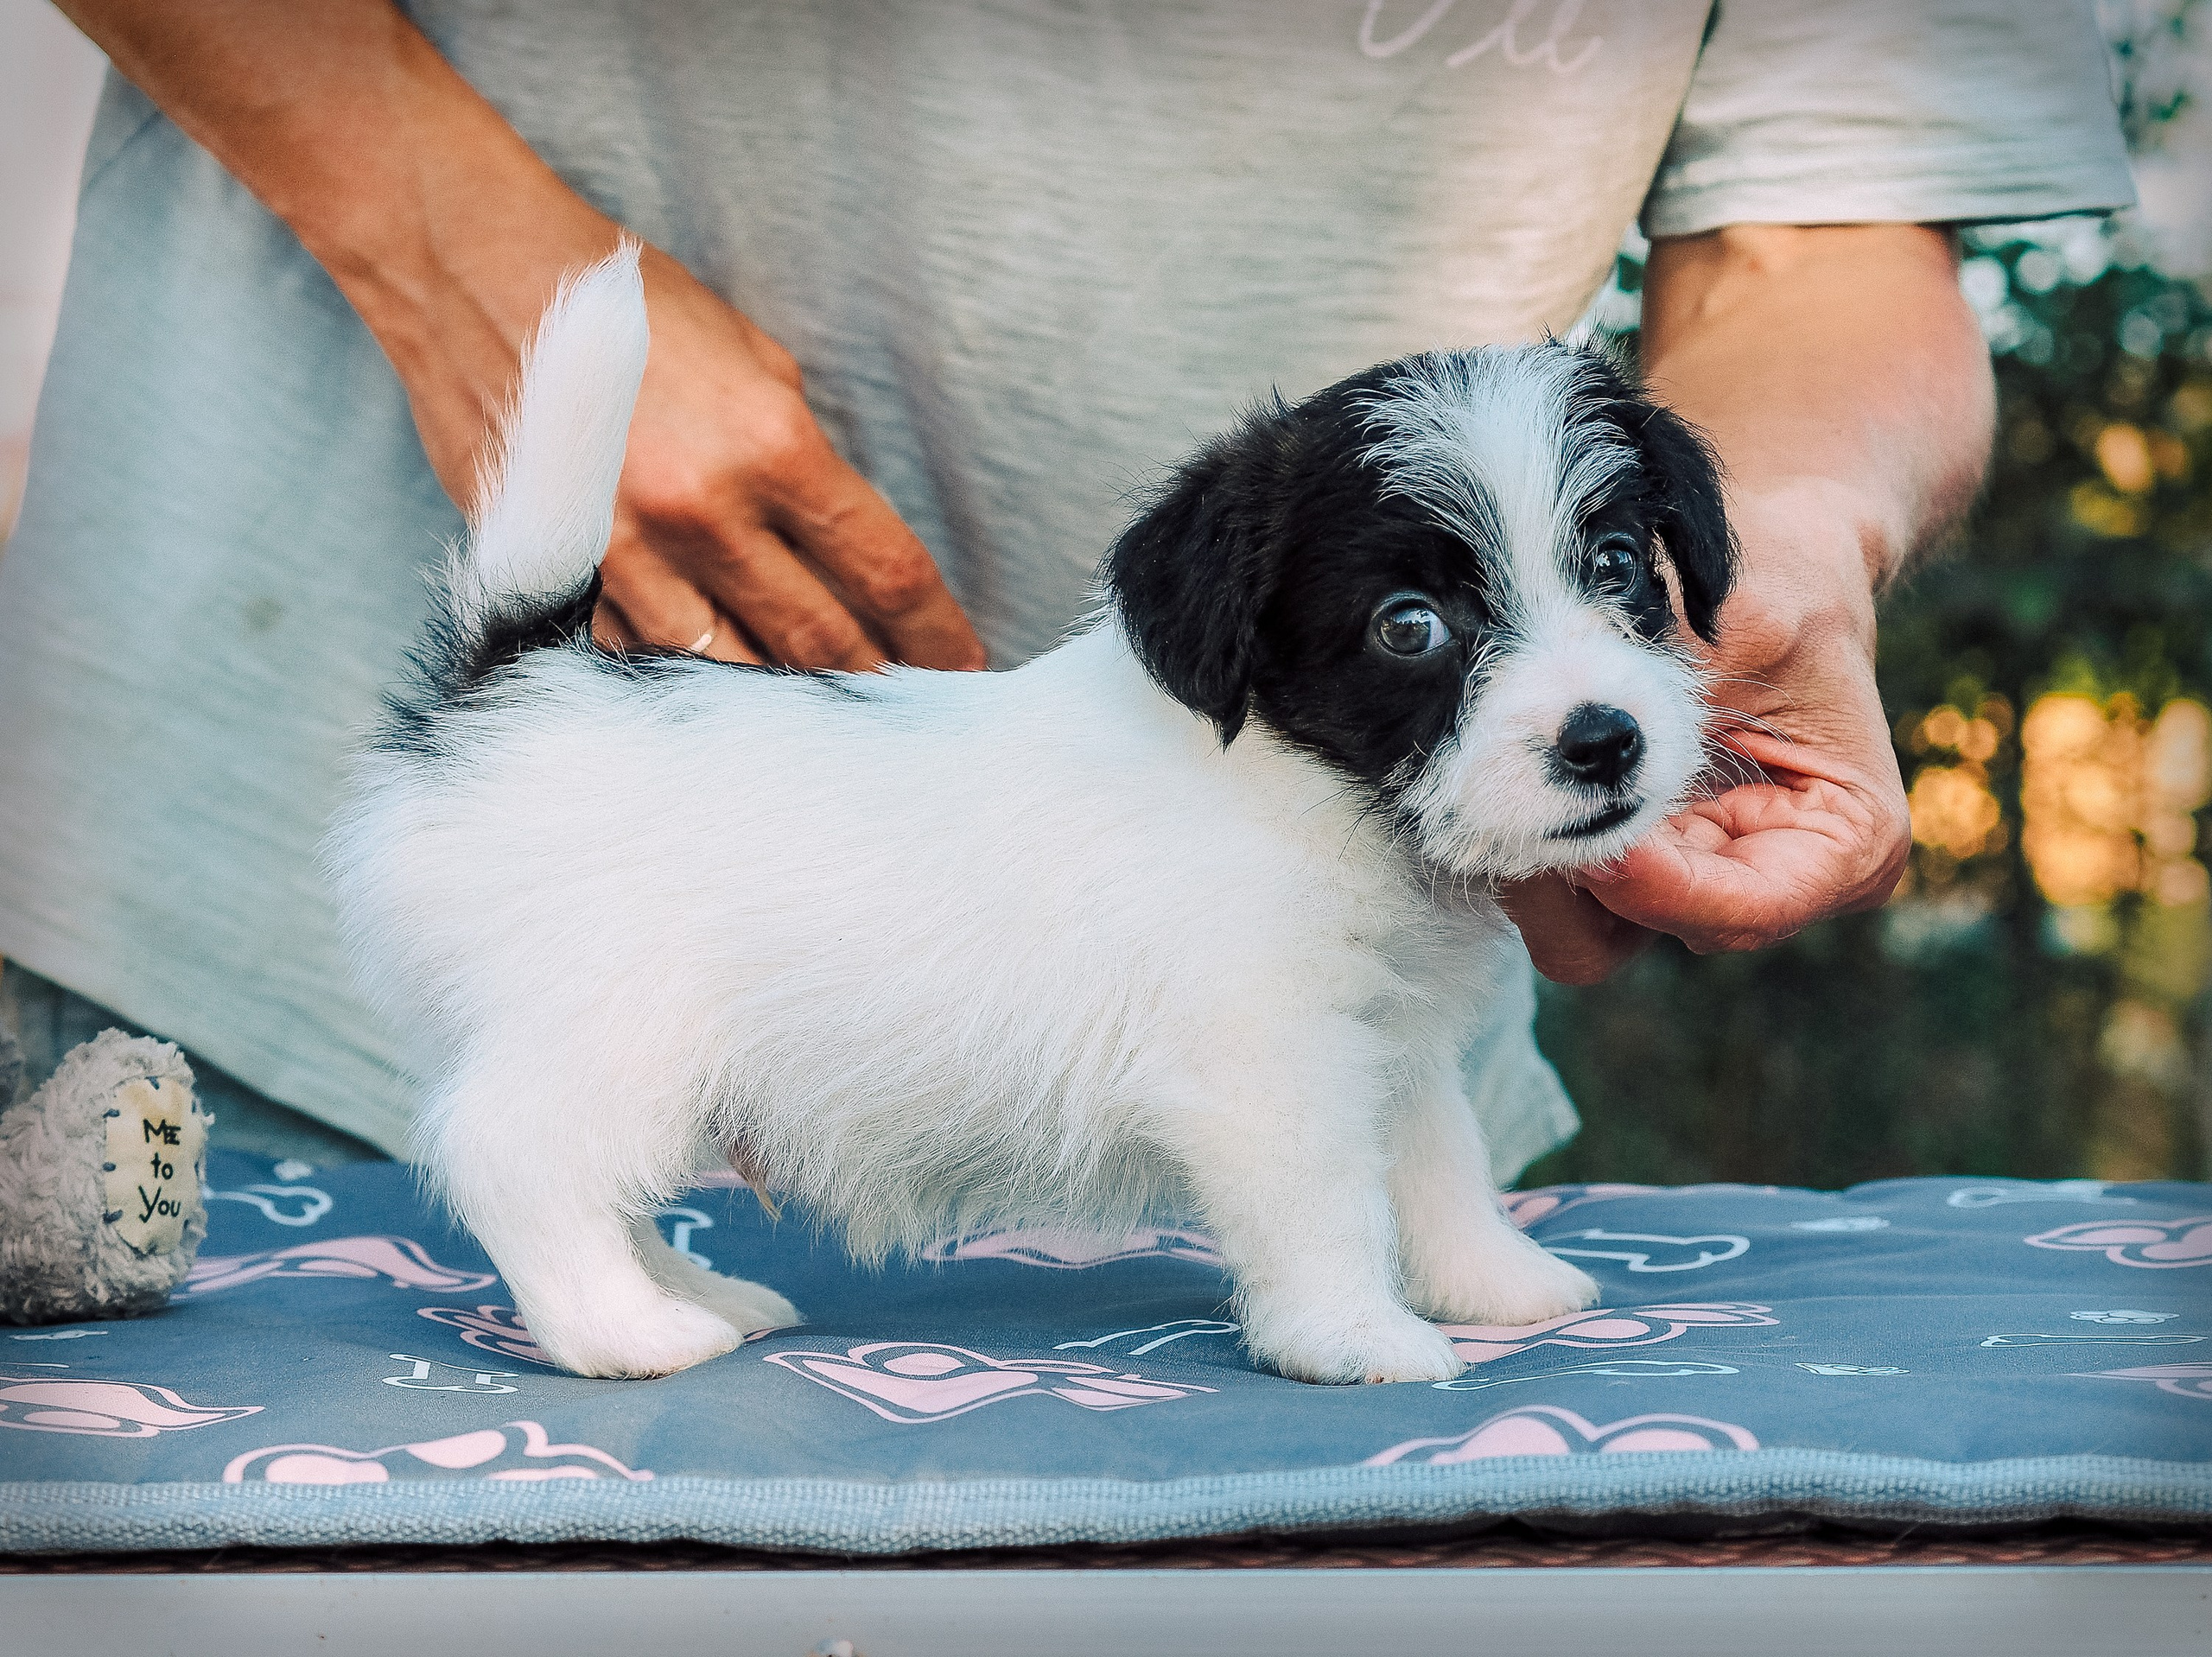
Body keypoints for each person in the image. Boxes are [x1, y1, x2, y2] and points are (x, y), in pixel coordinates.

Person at [0, 0, 2133, 1172]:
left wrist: (1784, 552)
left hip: (1322, 982)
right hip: (271, 912)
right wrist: (465, 257)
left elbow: (1826, 233)